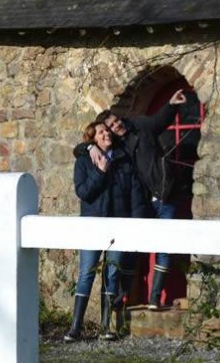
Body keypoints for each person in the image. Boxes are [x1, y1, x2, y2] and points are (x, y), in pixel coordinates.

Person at [76, 89, 187, 310]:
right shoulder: (116, 148)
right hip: (143, 203)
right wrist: (88, 146)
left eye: (117, 121)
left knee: (165, 245)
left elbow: (160, 120)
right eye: (112, 126)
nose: (117, 126)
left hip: (164, 196)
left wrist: (172, 104)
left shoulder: (141, 128)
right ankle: (125, 297)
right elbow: (83, 147)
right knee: (133, 250)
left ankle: (155, 298)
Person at [65, 121, 147, 342]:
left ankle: (106, 326)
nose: (106, 134)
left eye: (107, 131)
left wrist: (135, 223)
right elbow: (83, 192)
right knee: (87, 274)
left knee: (112, 274)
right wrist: (100, 172)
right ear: (93, 139)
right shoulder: (83, 162)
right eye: (101, 132)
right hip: (92, 225)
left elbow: (134, 194)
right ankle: (76, 327)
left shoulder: (122, 160)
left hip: (117, 226)